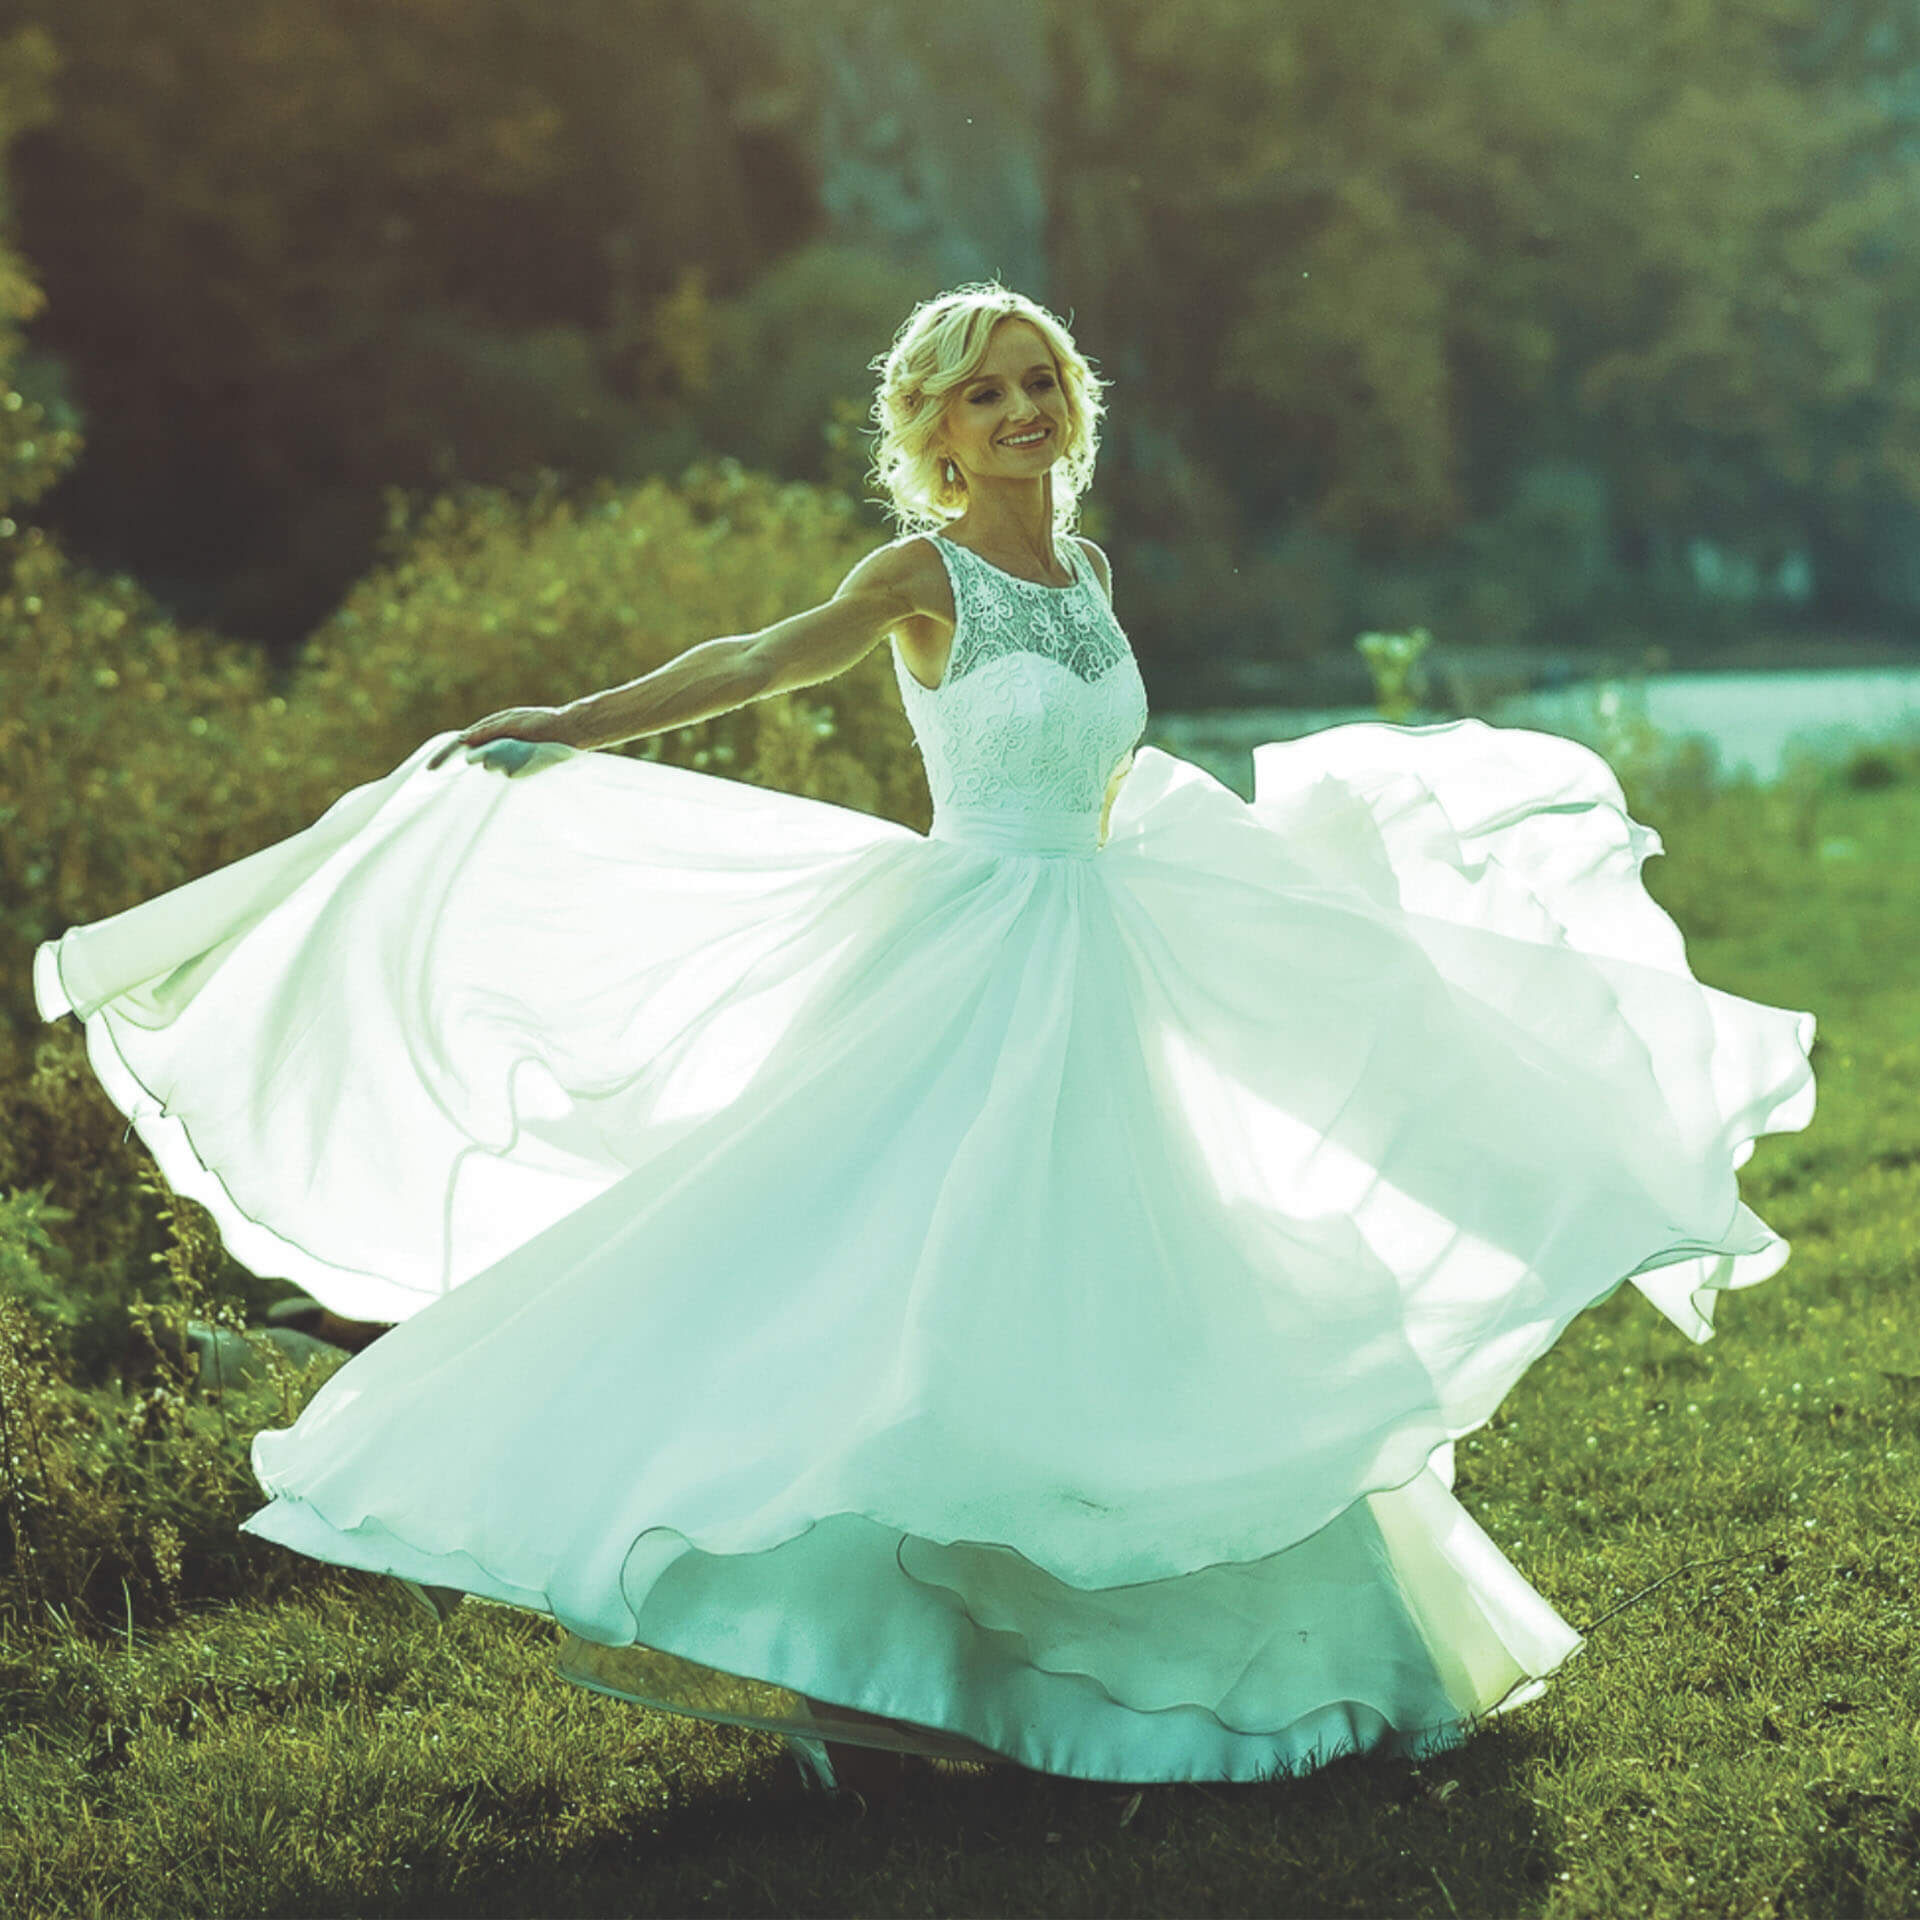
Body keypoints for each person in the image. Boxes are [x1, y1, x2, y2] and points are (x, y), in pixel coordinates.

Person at [34, 281, 1818, 1811]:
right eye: (989, 389)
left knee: (1134, 1305)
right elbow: (756, 656)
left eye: (1045, 381)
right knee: (899, 1300)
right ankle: (856, 1690)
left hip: (1102, 949)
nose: (1027, 408)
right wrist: (569, 719)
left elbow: (1105, 774)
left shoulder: (1089, 564)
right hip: (967, 956)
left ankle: (1194, 1665)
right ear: (934, 425)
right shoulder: (925, 566)